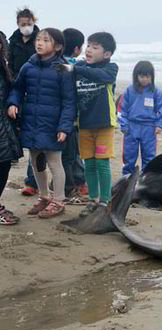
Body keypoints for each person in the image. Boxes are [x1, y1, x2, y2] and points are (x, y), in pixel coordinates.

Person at [7, 28, 76, 218]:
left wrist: (64, 126)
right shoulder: (28, 66)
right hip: (32, 121)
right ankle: (44, 196)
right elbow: (18, 89)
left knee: (54, 162)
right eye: (38, 39)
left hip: (53, 124)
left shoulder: (63, 69)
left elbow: (69, 102)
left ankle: (59, 200)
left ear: (58, 46)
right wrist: (13, 103)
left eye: (46, 40)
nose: (39, 43)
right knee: (36, 161)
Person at [57, 32, 118, 217]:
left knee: (102, 163)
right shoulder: (80, 66)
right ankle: (92, 199)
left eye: (95, 47)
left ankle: (105, 201)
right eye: (88, 46)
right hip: (84, 125)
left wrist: (74, 68)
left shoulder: (111, 68)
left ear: (106, 54)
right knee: (89, 164)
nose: (89, 50)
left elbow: (100, 76)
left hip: (104, 125)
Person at [8, 7, 40, 196]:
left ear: (33, 22)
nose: (26, 27)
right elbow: (8, 63)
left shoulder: (41, 40)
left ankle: (32, 181)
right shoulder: (12, 41)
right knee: (16, 130)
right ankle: (13, 158)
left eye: (29, 23)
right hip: (16, 88)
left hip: (35, 89)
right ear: (18, 24)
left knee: (36, 141)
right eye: (22, 24)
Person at [117, 60, 162, 175]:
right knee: (129, 156)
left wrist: (159, 124)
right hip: (131, 127)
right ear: (136, 76)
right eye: (141, 76)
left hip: (149, 128)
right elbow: (121, 109)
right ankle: (127, 177)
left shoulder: (156, 92)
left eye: (147, 76)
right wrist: (124, 125)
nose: (144, 79)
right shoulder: (129, 91)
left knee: (149, 156)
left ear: (152, 76)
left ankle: (147, 178)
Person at [61, 28, 88, 201]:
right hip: (75, 119)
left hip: (62, 117)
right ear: (77, 49)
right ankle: (72, 186)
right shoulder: (80, 66)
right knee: (72, 155)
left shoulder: (57, 64)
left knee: (67, 155)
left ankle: (75, 182)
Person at [0, 30, 23, 225]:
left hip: (4, 124)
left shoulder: (3, 66)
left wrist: (13, 103)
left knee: (5, 163)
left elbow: (13, 87)